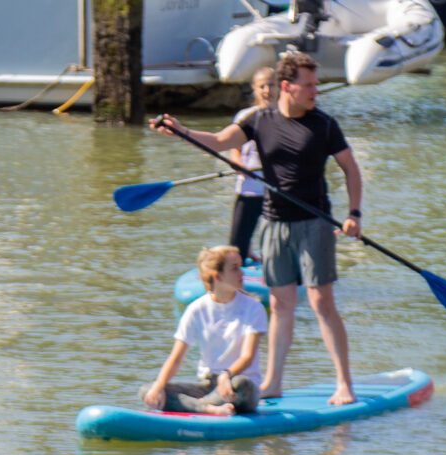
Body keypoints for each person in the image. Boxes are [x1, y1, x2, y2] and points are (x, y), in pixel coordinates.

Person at [150, 50, 362, 405]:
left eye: (316, 85)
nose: (316, 92)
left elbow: (351, 169)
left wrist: (354, 213)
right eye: (308, 85)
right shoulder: (259, 121)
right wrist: (182, 131)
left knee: (320, 301)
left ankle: (344, 384)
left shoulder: (324, 124)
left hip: (316, 222)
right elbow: (219, 141)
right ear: (286, 87)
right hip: (275, 224)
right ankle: (274, 381)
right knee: (280, 306)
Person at [143, 245, 267, 415]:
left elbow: (247, 356)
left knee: (240, 385)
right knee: (147, 390)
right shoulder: (196, 309)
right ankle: (209, 408)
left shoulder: (253, 308)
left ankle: (196, 406)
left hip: (238, 384)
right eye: (235, 268)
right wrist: (158, 386)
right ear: (217, 276)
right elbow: (176, 358)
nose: (242, 273)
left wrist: (226, 375)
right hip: (209, 386)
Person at [228, 66, 277, 265]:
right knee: (237, 242)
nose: (267, 90)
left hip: (275, 190)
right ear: (255, 89)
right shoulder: (244, 116)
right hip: (248, 188)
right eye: (262, 86)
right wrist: (237, 163)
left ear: (281, 87)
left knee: (274, 238)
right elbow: (234, 147)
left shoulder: (286, 117)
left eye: (271, 85)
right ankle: (243, 257)